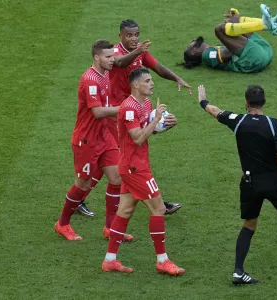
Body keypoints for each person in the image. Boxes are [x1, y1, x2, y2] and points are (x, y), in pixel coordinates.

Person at [197, 84, 277, 284]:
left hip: (250, 183)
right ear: (264, 102)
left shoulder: (237, 121)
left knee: (249, 226)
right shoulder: (274, 124)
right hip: (275, 182)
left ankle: (238, 271)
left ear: (246, 102)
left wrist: (202, 100)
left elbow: (215, 111)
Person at [77, 19, 190, 216]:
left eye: (136, 34)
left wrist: (176, 78)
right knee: (133, 156)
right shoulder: (115, 54)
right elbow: (120, 63)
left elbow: (157, 67)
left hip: (134, 110)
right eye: (129, 35)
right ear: (120, 35)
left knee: (114, 161)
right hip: (117, 115)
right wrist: (138, 52)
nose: (134, 38)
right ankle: (158, 205)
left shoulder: (139, 51)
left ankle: (81, 198)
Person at [101, 68, 184, 276]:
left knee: (125, 211)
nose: (152, 83)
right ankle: (162, 261)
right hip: (134, 168)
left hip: (135, 164)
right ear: (136, 85)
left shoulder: (145, 103)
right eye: (147, 80)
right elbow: (137, 137)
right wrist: (156, 119)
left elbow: (146, 129)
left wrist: (165, 124)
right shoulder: (128, 108)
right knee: (159, 209)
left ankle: (110, 260)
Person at [54, 40, 132, 242]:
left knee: (116, 178)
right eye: (108, 57)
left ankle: (110, 229)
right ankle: (62, 224)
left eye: (112, 56)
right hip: (86, 139)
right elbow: (97, 112)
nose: (112, 60)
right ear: (96, 58)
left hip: (104, 137)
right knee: (83, 183)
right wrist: (124, 109)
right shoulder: (90, 80)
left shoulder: (105, 74)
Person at [181, 4, 277, 73]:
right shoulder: (206, 55)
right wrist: (231, 27)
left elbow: (235, 45)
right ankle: (265, 24)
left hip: (263, 52)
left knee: (230, 26)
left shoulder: (212, 49)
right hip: (254, 60)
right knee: (219, 30)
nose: (192, 41)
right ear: (194, 52)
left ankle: (271, 23)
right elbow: (227, 54)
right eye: (189, 45)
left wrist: (233, 26)